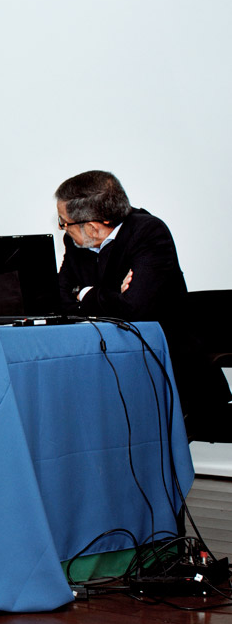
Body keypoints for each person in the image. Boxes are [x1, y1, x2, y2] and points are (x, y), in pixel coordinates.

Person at [54, 169, 230, 438]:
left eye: (64, 222)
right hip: (101, 353)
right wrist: (110, 295)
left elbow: (135, 309)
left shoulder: (148, 232)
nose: (63, 228)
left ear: (91, 226)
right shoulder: (75, 241)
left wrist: (86, 293)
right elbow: (60, 298)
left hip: (162, 360)